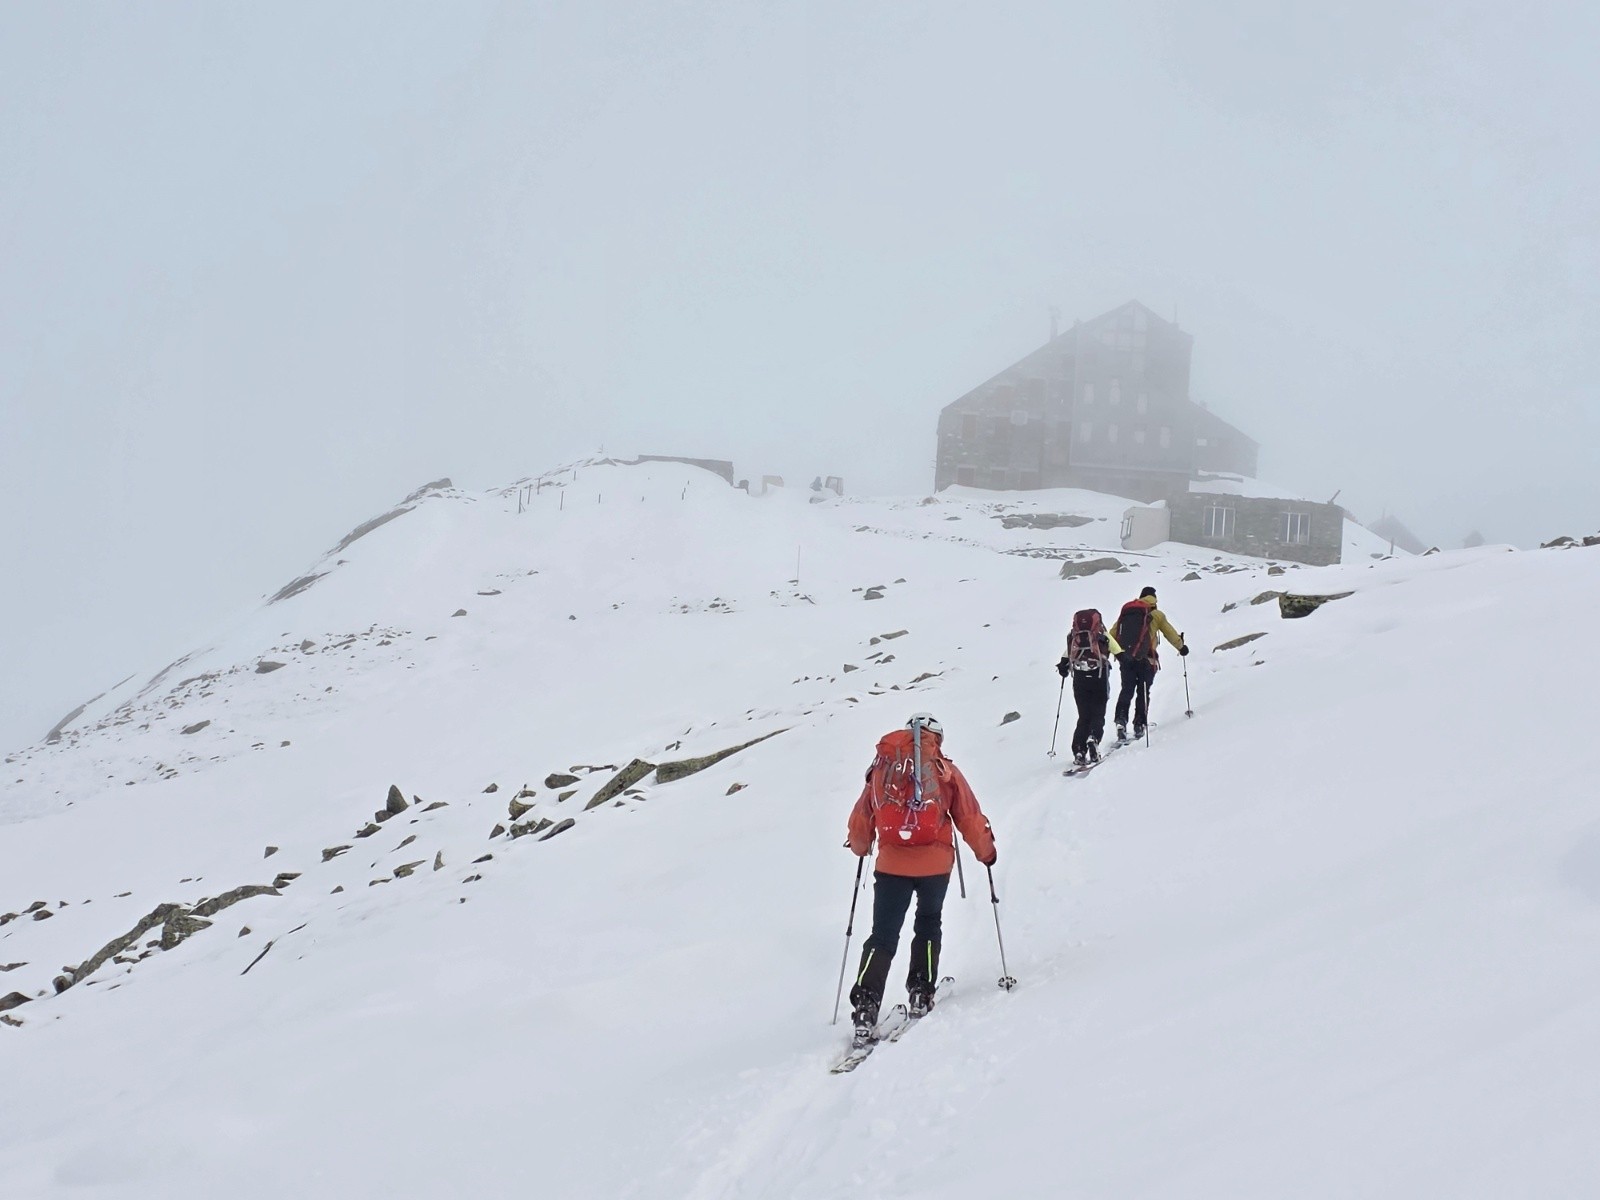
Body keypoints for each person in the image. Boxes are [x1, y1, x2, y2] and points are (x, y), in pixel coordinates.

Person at [846, 713, 995, 1040]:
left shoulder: (883, 767)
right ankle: (921, 990)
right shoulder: (944, 770)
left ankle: (865, 1007)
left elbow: (861, 817)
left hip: (890, 865)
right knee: (928, 922)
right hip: (935, 865)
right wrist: (986, 852)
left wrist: (860, 847)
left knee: (882, 934)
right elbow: (968, 816)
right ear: (937, 738)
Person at [1111, 585, 1188, 741]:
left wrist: (1115, 654)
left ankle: (1121, 720)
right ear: (1154, 599)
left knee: (1126, 689)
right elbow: (1169, 633)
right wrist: (1181, 646)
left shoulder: (1127, 613)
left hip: (1126, 659)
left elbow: (1112, 634)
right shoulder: (1157, 615)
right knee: (1143, 690)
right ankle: (1139, 724)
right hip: (1147, 659)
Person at [1056, 609, 1122, 766]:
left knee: (1084, 715)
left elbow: (1066, 656)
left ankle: (1079, 750)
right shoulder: (1101, 634)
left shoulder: (1075, 636)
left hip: (1079, 677)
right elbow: (1118, 651)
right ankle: (1093, 738)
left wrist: (1063, 666)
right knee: (1098, 713)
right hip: (1098, 675)